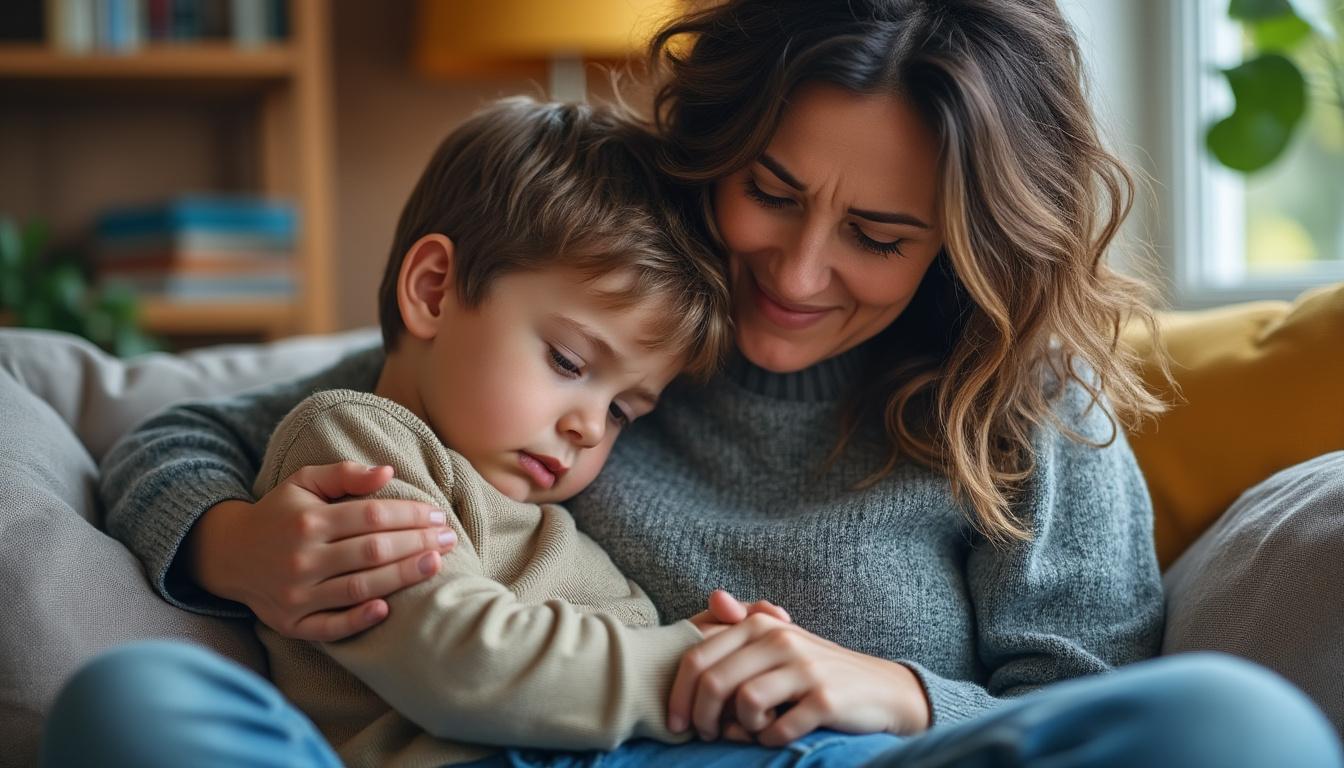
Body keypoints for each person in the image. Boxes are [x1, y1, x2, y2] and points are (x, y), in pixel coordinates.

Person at [56, 1, 1344, 767]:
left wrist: (883, 691)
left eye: (879, 238)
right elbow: (188, 438)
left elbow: (1087, 701)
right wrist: (234, 548)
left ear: (965, 239)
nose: (795, 270)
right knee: (134, 701)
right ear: (718, 145)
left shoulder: (1026, 414)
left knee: (1239, 727)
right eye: (770, 194)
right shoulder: (619, 325)